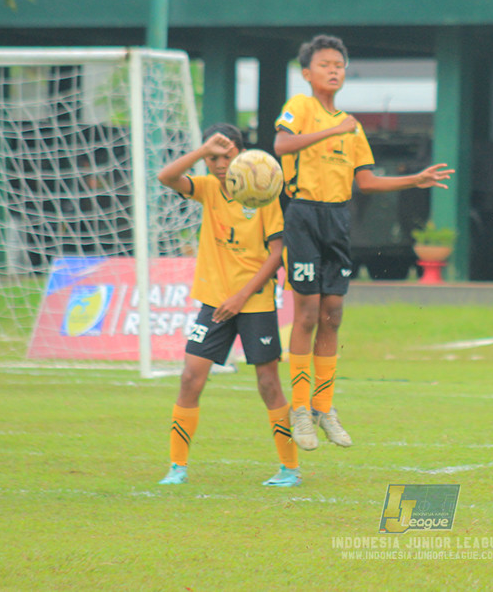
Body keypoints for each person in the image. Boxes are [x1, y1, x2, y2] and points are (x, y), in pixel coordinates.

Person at [274, 34, 454, 450]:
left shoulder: (352, 125)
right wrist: (331, 130)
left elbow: (366, 181)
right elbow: (281, 144)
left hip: (337, 218)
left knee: (333, 313)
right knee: (306, 314)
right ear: (307, 73)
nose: (334, 69)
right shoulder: (300, 107)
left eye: (339, 64)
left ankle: (324, 406)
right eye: (325, 64)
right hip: (303, 214)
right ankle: (299, 409)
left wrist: (416, 179)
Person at [155, 123, 300, 488]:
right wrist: (201, 151)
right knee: (190, 378)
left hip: (253, 302)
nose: (220, 164)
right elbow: (166, 176)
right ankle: (177, 467)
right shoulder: (205, 188)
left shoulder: (262, 193)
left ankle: (289, 468)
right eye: (214, 157)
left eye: (226, 155)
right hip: (214, 302)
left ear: (241, 155)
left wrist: (240, 297)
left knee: (268, 383)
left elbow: (278, 254)